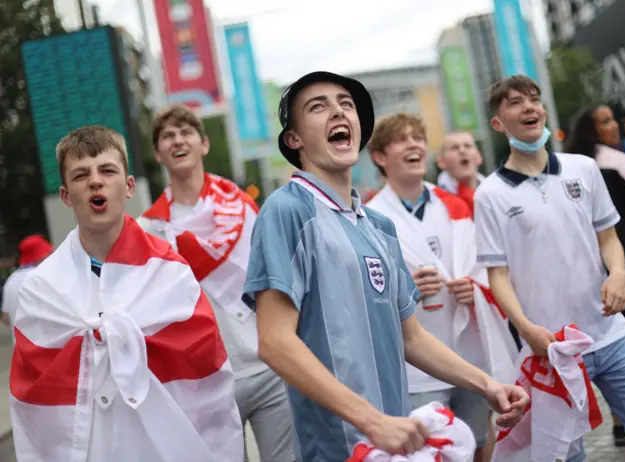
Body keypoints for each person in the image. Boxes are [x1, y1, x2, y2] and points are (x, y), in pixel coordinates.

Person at [241, 71, 529, 461]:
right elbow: (275, 342)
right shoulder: (287, 209)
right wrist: (372, 421)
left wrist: (487, 385)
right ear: (294, 139)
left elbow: (410, 337)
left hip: (394, 443)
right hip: (338, 447)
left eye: (346, 104)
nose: (338, 112)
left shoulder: (379, 226)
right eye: (317, 106)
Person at [10, 126, 244, 461]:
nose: (95, 181)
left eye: (107, 170)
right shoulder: (41, 288)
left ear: (129, 186)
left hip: (159, 446)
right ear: (65, 195)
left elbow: (207, 375)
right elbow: (31, 396)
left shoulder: (170, 273)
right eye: (80, 175)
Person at [474, 75, 625, 462]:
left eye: (534, 99)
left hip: (611, 334)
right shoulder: (491, 195)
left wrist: (618, 273)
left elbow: (608, 239)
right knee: (563, 455)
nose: (529, 107)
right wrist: (526, 328)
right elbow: (497, 275)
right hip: (551, 348)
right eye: (515, 102)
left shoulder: (583, 169)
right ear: (498, 123)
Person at [137, 104, 295, 462]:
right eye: (167, 136)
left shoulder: (241, 208)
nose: (178, 140)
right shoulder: (149, 229)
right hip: (205, 380)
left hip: (267, 364)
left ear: (203, 144)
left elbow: (274, 275)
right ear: (158, 152)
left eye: (186, 132)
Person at [366, 113, 518, 462]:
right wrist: (406, 288)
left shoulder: (456, 206)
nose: (414, 144)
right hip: (417, 368)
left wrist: (476, 288)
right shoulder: (371, 218)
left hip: (468, 353)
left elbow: (488, 267)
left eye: (418, 138)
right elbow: (367, 290)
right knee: (427, 450)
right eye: (402, 140)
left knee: (478, 443)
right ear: (379, 157)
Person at [565, 105, 625, 448]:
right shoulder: (607, 163)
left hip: (611, 267)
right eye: (605, 122)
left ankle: (620, 420)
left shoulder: (577, 167)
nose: (614, 127)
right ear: (591, 130)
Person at [0, 234, 53, 332]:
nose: (51, 256)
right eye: (48, 253)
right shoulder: (42, 276)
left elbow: (6, 318)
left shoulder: (11, 280)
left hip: (20, 345)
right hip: (47, 344)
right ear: (38, 256)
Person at [436, 132, 485, 215]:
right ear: (441, 162)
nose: (462, 151)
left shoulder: (496, 193)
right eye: (454, 148)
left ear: (479, 157)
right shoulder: (436, 202)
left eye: (467, 146)